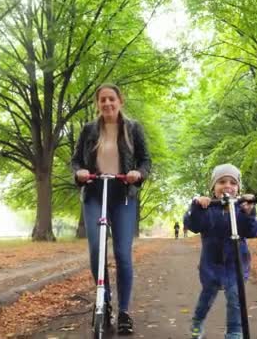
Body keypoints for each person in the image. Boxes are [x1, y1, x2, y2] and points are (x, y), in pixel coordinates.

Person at [71, 83, 151, 335]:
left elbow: (146, 160)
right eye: (102, 100)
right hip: (95, 193)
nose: (107, 104)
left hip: (123, 195)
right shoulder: (88, 130)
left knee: (122, 254)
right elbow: (75, 161)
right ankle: (103, 304)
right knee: (96, 249)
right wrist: (80, 173)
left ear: (120, 101)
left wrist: (138, 173)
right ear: (98, 104)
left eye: (111, 99)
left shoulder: (133, 128)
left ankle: (124, 311)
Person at [183, 164, 257, 339]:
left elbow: (253, 232)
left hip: (236, 265)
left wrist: (250, 213)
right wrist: (197, 206)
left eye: (233, 183)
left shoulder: (242, 209)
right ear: (213, 187)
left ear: (238, 188)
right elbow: (193, 225)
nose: (227, 186)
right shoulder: (208, 209)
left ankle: (234, 331)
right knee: (207, 296)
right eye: (222, 182)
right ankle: (198, 320)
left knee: (235, 299)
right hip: (212, 265)